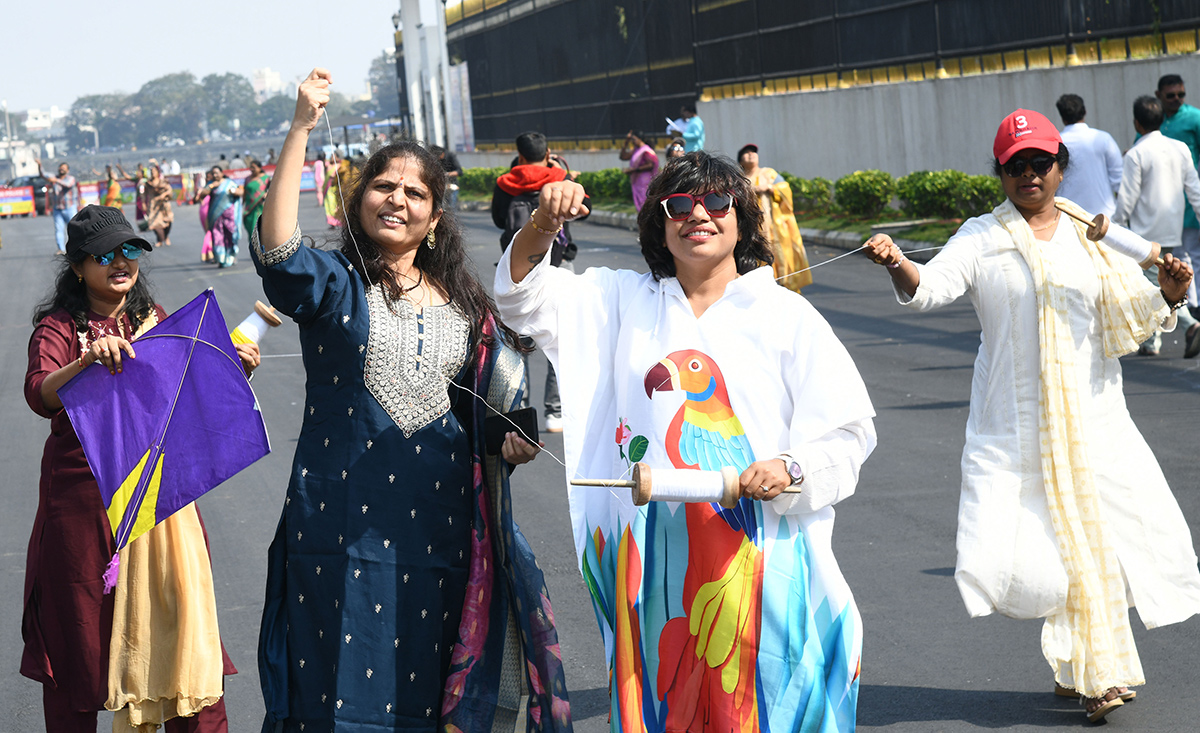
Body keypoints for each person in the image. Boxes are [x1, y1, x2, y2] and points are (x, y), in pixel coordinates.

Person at [495, 151, 876, 730]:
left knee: (773, 707)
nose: (699, 214)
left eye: (717, 202)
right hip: (655, 573)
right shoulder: (619, 300)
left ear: (743, 219)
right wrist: (542, 226)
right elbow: (522, 296)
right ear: (659, 222)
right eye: (679, 204)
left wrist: (791, 468)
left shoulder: (786, 315)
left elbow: (849, 432)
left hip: (768, 562)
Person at [252, 67, 570, 732]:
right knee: (338, 697)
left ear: (433, 215)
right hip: (337, 532)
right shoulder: (335, 282)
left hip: (441, 533)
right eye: (383, 185)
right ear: (360, 198)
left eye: (414, 191)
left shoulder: (466, 306)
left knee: (429, 700)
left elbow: (487, 418)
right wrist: (300, 127)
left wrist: (511, 443)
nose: (396, 198)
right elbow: (279, 249)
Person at [863, 108, 1200, 723]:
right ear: (1000, 173)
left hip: (1094, 419)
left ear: (1060, 168)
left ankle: (1100, 674)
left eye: (1040, 163)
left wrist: (1171, 293)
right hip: (1014, 426)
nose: (1029, 175)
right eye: (1015, 166)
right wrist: (895, 262)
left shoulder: (1093, 236)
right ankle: (1078, 664)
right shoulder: (980, 236)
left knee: (1095, 539)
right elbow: (930, 287)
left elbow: (1130, 315)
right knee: (1038, 551)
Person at [24, 205, 258, 732]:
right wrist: (85, 362)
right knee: (80, 646)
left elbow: (191, 400)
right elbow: (39, 392)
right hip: (84, 512)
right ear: (79, 267)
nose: (120, 262)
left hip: (159, 506)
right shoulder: (58, 328)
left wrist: (231, 369)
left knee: (184, 636)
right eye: (104, 255)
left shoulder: (155, 320)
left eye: (130, 250)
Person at [490, 131, 590, 433]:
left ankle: (522, 410)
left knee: (520, 344)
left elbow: (498, 219)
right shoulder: (560, 179)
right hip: (561, 266)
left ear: (520, 155)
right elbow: (584, 212)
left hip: (520, 270)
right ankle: (554, 412)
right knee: (560, 341)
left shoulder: (505, 183)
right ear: (547, 154)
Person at [1113, 95, 1200, 357]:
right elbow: (1194, 189)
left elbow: (1127, 198)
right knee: (1161, 283)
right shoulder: (1181, 148)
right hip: (1172, 228)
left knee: (1153, 285)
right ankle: (1152, 342)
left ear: (1136, 123)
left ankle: (1190, 324)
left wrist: (1114, 228)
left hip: (1144, 233)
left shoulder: (1136, 153)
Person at [738, 143, 811, 292]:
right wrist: (753, 190)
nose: (751, 155)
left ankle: (787, 289)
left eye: (753, 152)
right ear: (740, 161)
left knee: (781, 257)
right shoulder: (739, 180)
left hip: (774, 227)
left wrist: (771, 189)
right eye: (746, 153)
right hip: (753, 230)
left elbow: (785, 191)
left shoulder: (769, 174)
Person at [1157, 74, 1200, 318]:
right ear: (1159, 96)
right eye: (1171, 95)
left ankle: (1196, 305)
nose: (1176, 100)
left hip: (1190, 194)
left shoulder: (1194, 118)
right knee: (1179, 254)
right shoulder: (1156, 120)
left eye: (1181, 95)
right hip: (1164, 199)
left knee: (1194, 252)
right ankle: (1190, 305)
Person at [1055, 94, 1122, 217]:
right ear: (1085, 112)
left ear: (1063, 118)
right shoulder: (1103, 138)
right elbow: (1119, 180)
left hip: (1069, 219)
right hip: (1105, 219)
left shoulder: (1056, 143)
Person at [196, 166, 243, 268]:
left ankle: (231, 256)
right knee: (218, 236)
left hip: (229, 215)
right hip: (216, 215)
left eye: (217, 173)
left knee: (230, 234)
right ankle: (221, 258)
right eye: (213, 173)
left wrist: (234, 191)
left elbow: (240, 192)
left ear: (222, 173)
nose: (215, 175)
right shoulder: (211, 185)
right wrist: (211, 186)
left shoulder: (229, 183)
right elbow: (202, 195)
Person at [38, 159, 79, 253]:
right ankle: (61, 249)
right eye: (60, 168)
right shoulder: (54, 177)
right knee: (59, 229)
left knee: (74, 228)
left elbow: (68, 185)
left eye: (64, 168)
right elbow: (43, 175)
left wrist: (56, 180)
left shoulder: (70, 178)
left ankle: (77, 247)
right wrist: (40, 165)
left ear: (67, 170)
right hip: (58, 208)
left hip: (69, 207)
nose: (61, 170)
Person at [619, 130, 659, 211]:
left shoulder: (646, 151)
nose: (632, 142)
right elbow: (623, 157)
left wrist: (634, 170)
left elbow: (650, 165)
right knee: (640, 205)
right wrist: (626, 142)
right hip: (637, 181)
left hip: (645, 181)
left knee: (645, 203)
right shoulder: (636, 150)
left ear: (640, 139)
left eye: (634, 139)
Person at [143, 164, 175, 248]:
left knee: (167, 221)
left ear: (158, 172)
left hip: (163, 205)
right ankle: (160, 239)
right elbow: (144, 194)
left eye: (154, 171)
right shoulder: (148, 183)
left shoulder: (163, 182)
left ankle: (166, 237)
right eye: (151, 172)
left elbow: (170, 191)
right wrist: (143, 203)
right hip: (153, 205)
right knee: (154, 223)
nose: (153, 173)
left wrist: (164, 195)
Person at [241, 159, 271, 241]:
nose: (251, 169)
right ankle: (254, 250)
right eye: (250, 167)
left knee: (258, 229)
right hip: (249, 208)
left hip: (260, 207)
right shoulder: (247, 179)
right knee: (251, 229)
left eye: (254, 167)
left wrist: (266, 194)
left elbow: (272, 191)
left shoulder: (266, 178)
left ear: (259, 168)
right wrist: (242, 205)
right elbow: (245, 192)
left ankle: (260, 249)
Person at [431, 145, 463, 210]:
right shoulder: (435, 160)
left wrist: (447, 174)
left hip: (452, 186)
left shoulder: (451, 156)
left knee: (451, 207)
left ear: (442, 153)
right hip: (441, 187)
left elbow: (459, 171)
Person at [197, 169, 216, 263]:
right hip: (207, 211)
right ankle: (208, 253)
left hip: (204, 209)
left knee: (209, 233)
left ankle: (209, 253)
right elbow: (197, 198)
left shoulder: (207, 187)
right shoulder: (210, 187)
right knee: (210, 232)